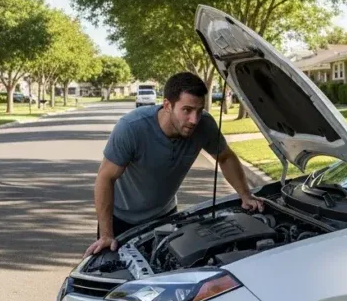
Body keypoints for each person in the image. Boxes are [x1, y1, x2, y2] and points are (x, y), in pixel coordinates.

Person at [84, 72, 265, 257]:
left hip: (165, 216)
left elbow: (225, 157)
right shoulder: (132, 128)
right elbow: (105, 177)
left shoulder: (205, 125)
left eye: (199, 110)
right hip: (121, 220)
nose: (194, 120)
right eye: (187, 110)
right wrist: (106, 234)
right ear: (167, 105)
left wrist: (245, 195)